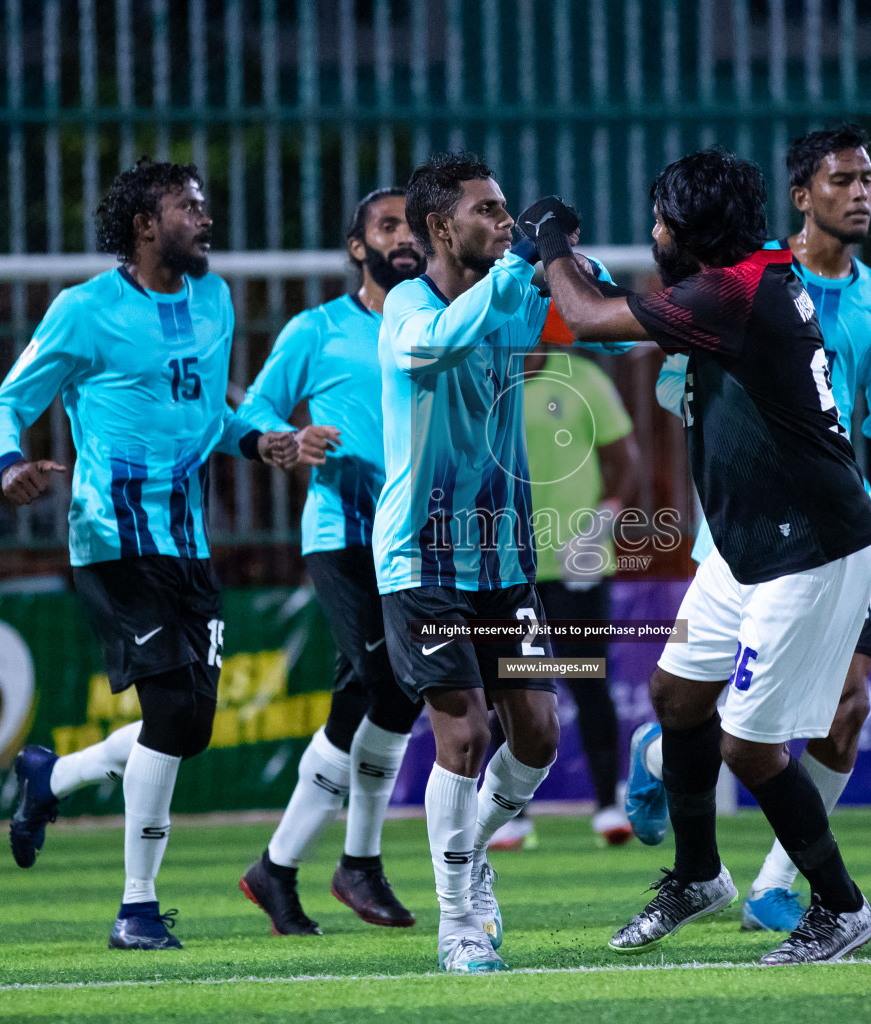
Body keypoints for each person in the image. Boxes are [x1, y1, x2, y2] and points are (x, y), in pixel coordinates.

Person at [539, 147, 871, 966]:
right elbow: (622, 327)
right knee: (675, 696)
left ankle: (840, 908)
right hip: (748, 543)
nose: (652, 230)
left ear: (687, 233)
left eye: (659, 218)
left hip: (809, 547)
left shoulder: (733, 290)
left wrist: (548, 241)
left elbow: (588, 320)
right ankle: (697, 875)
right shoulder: (744, 277)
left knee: (747, 746)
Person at [0, 158, 298, 949]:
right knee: (171, 712)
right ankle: (137, 908)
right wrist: (9, 464)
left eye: (204, 202)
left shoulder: (215, 298)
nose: (206, 217)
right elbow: (4, 404)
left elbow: (208, 416)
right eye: (189, 206)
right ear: (144, 225)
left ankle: (49, 779)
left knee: (187, 727)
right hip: (112, 541)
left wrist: (261, 441)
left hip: (187, 542)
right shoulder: (84, 311)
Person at [627, 124, 871, 934]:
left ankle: (783, 883)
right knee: (698, 709)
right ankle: (674, 799)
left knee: (844, 707)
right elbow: (658, 355)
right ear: (801, 195)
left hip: (822, 526)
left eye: (867, 179)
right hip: (738, 532)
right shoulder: (750, 278)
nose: (860, 192)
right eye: (841, 180)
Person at [371, 152, 634, 973]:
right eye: (487, 211)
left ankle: (466, 851)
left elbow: (613, 335)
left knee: (538, 731)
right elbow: (439, 349)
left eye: (508, 209)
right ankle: (458, 922)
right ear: (440, 227)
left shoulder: (519, 284)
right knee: (464, 732)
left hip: (504, 558)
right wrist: (525, 262)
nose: (503, 222)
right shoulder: (408, 307)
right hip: (422, 560)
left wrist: (565, 258)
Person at [234, 188, 427, 935]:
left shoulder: (436, 324)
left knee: (370, 697)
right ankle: (356, 863)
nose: (403, 237)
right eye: (387, 226)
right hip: (342, 533)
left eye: (414, 226)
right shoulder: (315, 330)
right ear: (358, 247)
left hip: (414, 536)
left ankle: (279, 869)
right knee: (388, 685)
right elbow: (252, 412)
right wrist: (292, 439)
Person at [486, 341, 640, 850]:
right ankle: (512, 815)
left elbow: (625, 460)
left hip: (579, 562)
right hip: (508, 566)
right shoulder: (486, 378)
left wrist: (602, 522)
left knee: (589, 683)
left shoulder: (582, 377)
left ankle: (608, 805)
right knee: (511, 689)